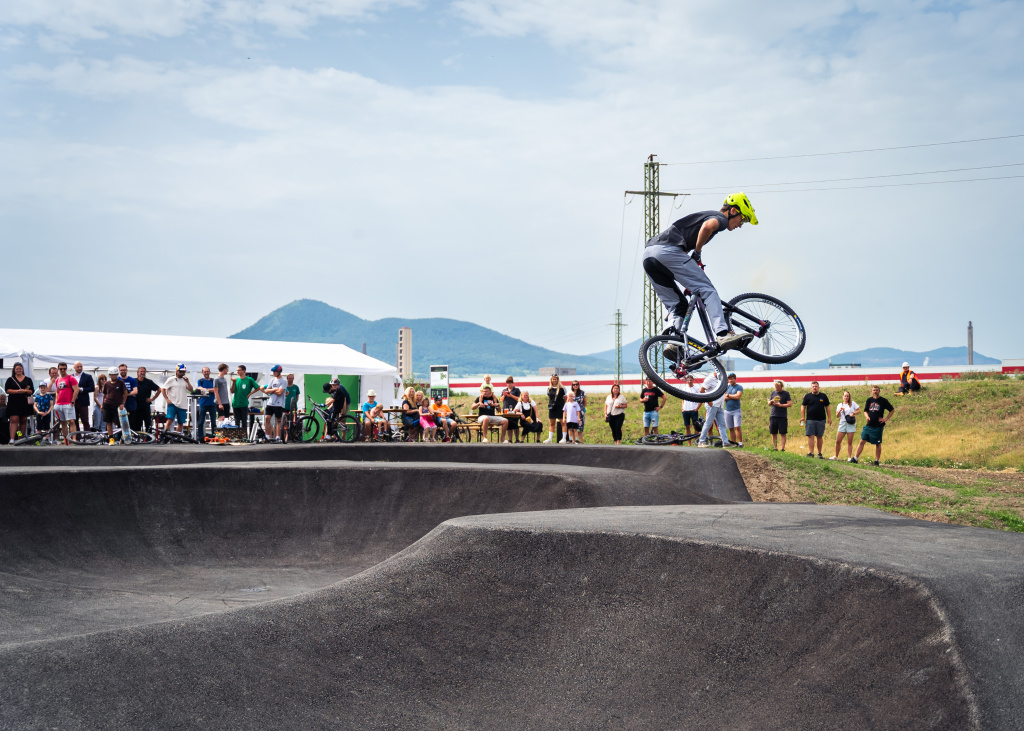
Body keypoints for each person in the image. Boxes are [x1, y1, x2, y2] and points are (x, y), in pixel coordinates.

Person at [642, 193, 758, 358]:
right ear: (733, 211)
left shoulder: (706, 215)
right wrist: (697, 253)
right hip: (668, 252)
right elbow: (707, 227)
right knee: (707, 289)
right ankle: (723, 334)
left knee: (677, 305)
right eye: (743, 219)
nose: (741, 225)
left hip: (649, 256)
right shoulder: (720, 219)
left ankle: (673, 342)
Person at [853, 385, 895, 466]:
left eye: (876, 390)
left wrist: (886, 419)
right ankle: (855, 458)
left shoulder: (883, 401)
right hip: (869, 425)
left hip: (878, 425)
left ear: (879, 391)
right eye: (874, 390)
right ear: (871, 391)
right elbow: (865, 411)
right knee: (862, 441)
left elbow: (892, 410)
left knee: (878, 443)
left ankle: (877, 460)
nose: (875, 391)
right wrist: (867, 416)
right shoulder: (869, 400)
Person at [698, 372, 733, 448]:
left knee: (722, 424)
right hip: (712, 405)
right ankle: (701, 441)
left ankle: (725, 442)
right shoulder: (710, 378)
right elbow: (701, 390)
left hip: (720, 405)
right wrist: (708, 400)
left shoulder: (722, 379)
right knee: (708, 423)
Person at [799, 381, 831, 459]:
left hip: (821, 419)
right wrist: (803, 417)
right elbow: (803, 406)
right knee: (811, 436)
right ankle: (811, 452)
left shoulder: (823, 396)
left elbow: (827, 407)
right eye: (813, 386)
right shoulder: (807, 396)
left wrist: (829, 418)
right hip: (810, 419)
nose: (814, 388)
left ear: (818, 387)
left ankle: (819, 453)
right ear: (811, 388)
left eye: (816, 386)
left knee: (819, 436)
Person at [160, 364, 193, 435]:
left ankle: (178, 437)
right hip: (173, 403)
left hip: (182, 404)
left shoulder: (184, 380)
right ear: (177, 371)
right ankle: (165, 435)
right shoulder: (171, 379)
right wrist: (167, 399)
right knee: (169, 420)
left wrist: (188, 382)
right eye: (181, 371)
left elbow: (191, 390)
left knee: (180, 422)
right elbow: (162, 389)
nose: (182, 373)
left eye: (184, 372)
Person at [52, 362, 81, 441]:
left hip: (68, 403)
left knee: (72, 421)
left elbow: (76, 390)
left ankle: (74, 439)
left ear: (66, 369)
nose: (62, 370)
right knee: (63, 422)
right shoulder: (57, 379)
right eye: (61, 369)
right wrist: (56, 401)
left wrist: (72, 401)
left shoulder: (71, 378)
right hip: (59, 404)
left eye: (64, 369)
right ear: (58, 369)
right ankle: (66, 440)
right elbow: (57, 391)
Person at [5, 363, 34, 441]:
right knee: (14, 419)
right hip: (13, 402)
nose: (19, 370)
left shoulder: (28, 379)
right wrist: (17, 391)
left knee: (23, 420)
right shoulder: (10, 379)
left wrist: (24, 391)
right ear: (14, 370)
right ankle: (12, 438)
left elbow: (31, 391)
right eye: (17, 369)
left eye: (20, 368)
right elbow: (7, 390)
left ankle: (20, 438)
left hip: (24, 402)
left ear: (22, 369)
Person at [230, 365, 263, 433]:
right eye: (237, 370)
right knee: (237, 422)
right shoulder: (236, 380)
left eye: (239, 370)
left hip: (244, 404)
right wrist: (233, 382)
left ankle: (244, 436)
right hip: (235, 403)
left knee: (244, 421)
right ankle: (238, 436)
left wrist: (250, 393)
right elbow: (232, 391)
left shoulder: (249, 379)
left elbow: (258, 388)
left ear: (244, 371)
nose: (237, 371)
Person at [831, 391, 860, 461]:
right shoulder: (840, 405)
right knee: (838, 441)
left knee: (849, 442)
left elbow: (859, 410)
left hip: (850, 423)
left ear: (849, 397)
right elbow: (837, 416)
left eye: (847, 396)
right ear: (843, 397)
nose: (846, 397)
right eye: (845, 396)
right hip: (842, 423)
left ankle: (849, 457)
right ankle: (836, 456)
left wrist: (853, 413)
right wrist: (839, 411)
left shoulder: (852, 403)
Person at [132, 366, 161, 434]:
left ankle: (149, 438)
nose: (142, 373)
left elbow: (159, 389)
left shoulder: (149, 382)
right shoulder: (133, 381)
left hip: (146, 406)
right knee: (137, 424)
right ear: (138, 372)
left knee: (148, 424)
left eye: (144, 371)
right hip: (136, 406)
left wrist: (152, 399)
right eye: (141, 371)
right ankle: (138, 437)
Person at [101, 366, 127, 440]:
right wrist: (102, 404)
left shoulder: (121, 383)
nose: (113, 376)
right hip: (107, 404)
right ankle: (111, 438)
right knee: (108, 422)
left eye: (115, 374)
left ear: (117, 374)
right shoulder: (107, 384)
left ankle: (122, 437)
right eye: (112, 375)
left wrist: (123, 403)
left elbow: (125, 393)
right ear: (109, 375)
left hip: (117, 405)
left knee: (118, 422)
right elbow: (104, 395)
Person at [264, 365, 288, 442]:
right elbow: (266, 390)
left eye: (275, 371)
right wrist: (275, 389)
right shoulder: (272, 380)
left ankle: (278, 436)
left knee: (278, 420)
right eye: (273, 371)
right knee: (267, 418)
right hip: (270, 402)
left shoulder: (283, 381)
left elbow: (280, 393)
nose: (273, 373)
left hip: (279, 403)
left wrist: (272, 390)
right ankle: (267, 436)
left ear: (279, 372)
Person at [767, 380, 792, 451]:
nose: (776, 388)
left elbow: (789, 404)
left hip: (782, 416)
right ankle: (775, 447)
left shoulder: (786, 394)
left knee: (783, 432)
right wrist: (771, 402)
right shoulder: (773, 393)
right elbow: (769, 402)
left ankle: (782, 448)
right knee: (773, 432)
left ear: (781, 386)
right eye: (775, 387)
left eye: (777, 387)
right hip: (773, 415)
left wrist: (781, 405)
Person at [196, 366, 218, 442]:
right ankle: (200, 438)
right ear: (202, 373)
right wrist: (209, 390)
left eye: (207, 371)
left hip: (212, 404)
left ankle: (214, 437)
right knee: (201, 422)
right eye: (205, 371)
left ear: (210, 372)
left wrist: (205, 390)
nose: (206, 373)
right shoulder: (200, 381)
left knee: (213, 422)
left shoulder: (213, 380)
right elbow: (199, 388)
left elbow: (215, 390)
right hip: (203, 404)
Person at [71, 362, 95, 432]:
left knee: (85, 420)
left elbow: (92, 388)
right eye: (78, 367)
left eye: (81, 366)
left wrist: (81, 389)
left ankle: (87, 435)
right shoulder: (71, 377)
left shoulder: (88, 376)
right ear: (74, 367)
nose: (79, 368)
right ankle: (76, 436)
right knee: (74, 420)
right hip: (73, 402)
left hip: (83, 402)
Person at [543, 374, 566, 444]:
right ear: (551, 380)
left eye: (555, 379)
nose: (554, 380)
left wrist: (564, 407)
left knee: (563, 423)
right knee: (552, 423)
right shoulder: (549, 389)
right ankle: (550, 438)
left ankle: (564, 438)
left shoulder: (562, 389)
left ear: (557, 380)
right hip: (552, 408)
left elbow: (565, 398)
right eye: (553, 379)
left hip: (560, 407)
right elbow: (550, 398)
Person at [723, 373, 744, 446]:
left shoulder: (739, 387)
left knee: (737, 427)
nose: (731, 380)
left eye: (732, 379)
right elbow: (724, 398)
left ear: (735, 379)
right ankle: (734, 443)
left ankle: (740, 443)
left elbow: (738, 396)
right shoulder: (726, 387)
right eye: (729, 379)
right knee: (731, 428)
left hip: (736, 410)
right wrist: (732, 396)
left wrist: (728, 395)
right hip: (727, 410)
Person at [501, 376, 522, 442]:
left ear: (513, 383)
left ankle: (517, 439)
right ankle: (510, 439)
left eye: (510, 383)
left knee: (515, 424)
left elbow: (519, 399)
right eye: (508, 383)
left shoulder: (516, 390)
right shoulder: (504, 390)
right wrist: (504, 395)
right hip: (506, 410)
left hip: (514, 409)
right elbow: (501, 400)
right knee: (508, 425)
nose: (509, 385)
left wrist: (511, 396)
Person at [283, 373, 301, 441]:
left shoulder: (296, 387)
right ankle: (285, 436)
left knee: (294, 422)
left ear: (293, 379)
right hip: (285, 407)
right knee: (285, 422)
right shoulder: (284, 387)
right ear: (287, 379)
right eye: (289, 378)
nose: (290, 380)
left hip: (293, 407)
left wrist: (294, 403)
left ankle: (293, 436)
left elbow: (297, 396)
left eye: (291, 378)